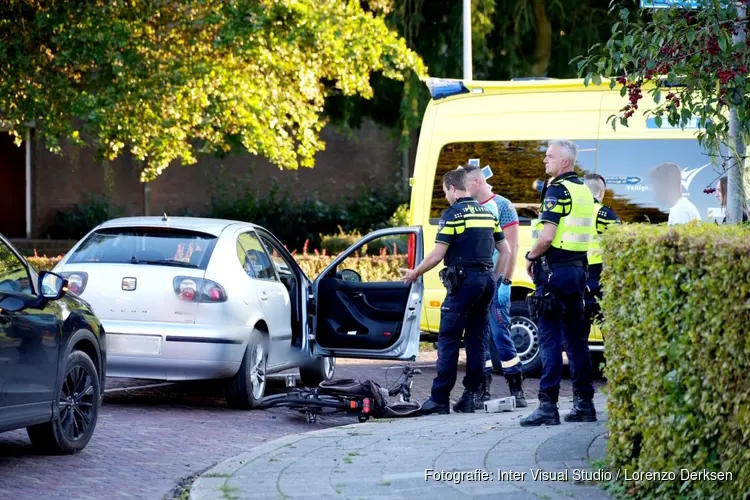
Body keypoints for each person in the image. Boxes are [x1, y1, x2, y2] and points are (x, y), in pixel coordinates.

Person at [402, 167, 511, 414]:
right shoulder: (487, 213)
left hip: (463, 283)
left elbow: (438, 254)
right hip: (486, 282)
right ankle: (470, 397)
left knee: (449, 339)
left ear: (452, 188)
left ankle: (439, 399)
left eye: (445, 192)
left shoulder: (453, 214)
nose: (446, 197)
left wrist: (415, 272)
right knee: (476, 340)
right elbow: (506, 251)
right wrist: (494, 278)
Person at [520, 139, 597, 427]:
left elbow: (548, 235)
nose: (544, 160)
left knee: (550, 339)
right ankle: (584, 403)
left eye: (550, 156)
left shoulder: (557, 190)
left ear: (565, 162)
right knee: (577, 340)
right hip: (577, 273)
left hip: (553, 274)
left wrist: (530, 256)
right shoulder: (584, 191)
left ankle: (547, 406)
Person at [463, 164, 527, 408]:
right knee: (479, 337)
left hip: (497, 282)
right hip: (477, 282)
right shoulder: (469, 207)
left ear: (476, 182)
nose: (463, 189)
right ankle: (483, 389)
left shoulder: (502, 206)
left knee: (501, 334)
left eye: (466, 184)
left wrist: (506, 281)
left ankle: (517, 390)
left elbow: (512, 247)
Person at [583, 173, 621, 337]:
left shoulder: (570, 212)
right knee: (610, 330)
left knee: (577, 337)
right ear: (602, 193)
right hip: (599, 276)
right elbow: (619, 245)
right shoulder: (604, 214)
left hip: (576, 275)